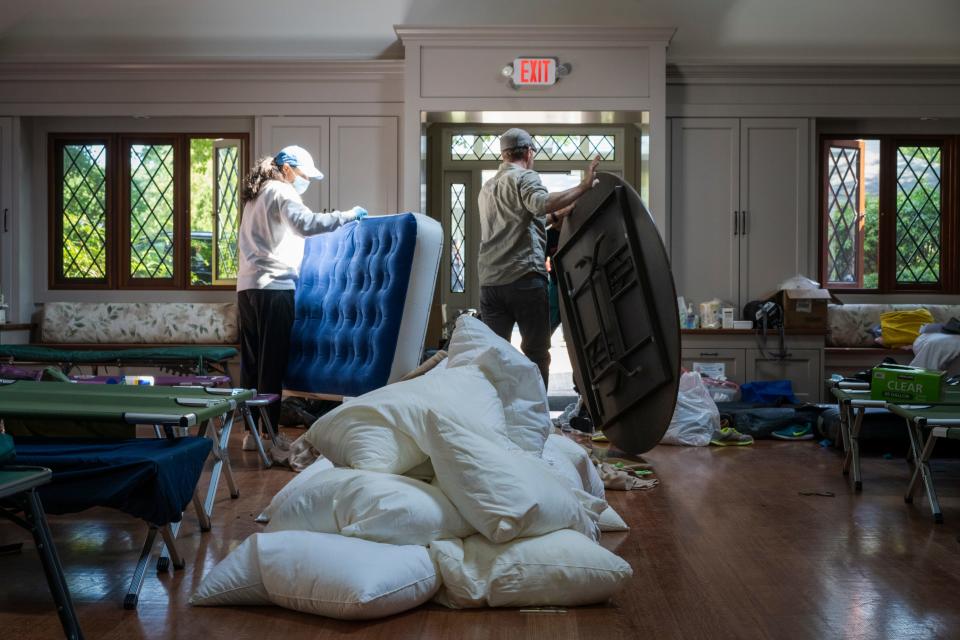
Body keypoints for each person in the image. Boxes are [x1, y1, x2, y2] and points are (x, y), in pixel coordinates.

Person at [236, 145, 366, 449]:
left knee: (251, 366)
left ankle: (251, 434)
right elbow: (306, 225)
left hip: (247, 289)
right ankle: (269, 434)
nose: (304, 182)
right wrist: (347, 216)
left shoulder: (256, 195)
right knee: (272, 365)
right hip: (274, 289)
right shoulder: (282, 192)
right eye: (303, 175)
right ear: (288, 169)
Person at [477, 128, 600, 387]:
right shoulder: (525, 177)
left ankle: (496, 419)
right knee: (536, 355)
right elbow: (541, 203)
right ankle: (535, 421)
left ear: (503, 154)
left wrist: (555, 218)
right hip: (524, 280)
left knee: (494, 357)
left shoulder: (487, 188)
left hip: (490, 284)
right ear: (529, 152)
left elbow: (518, 222)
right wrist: (584, 186)